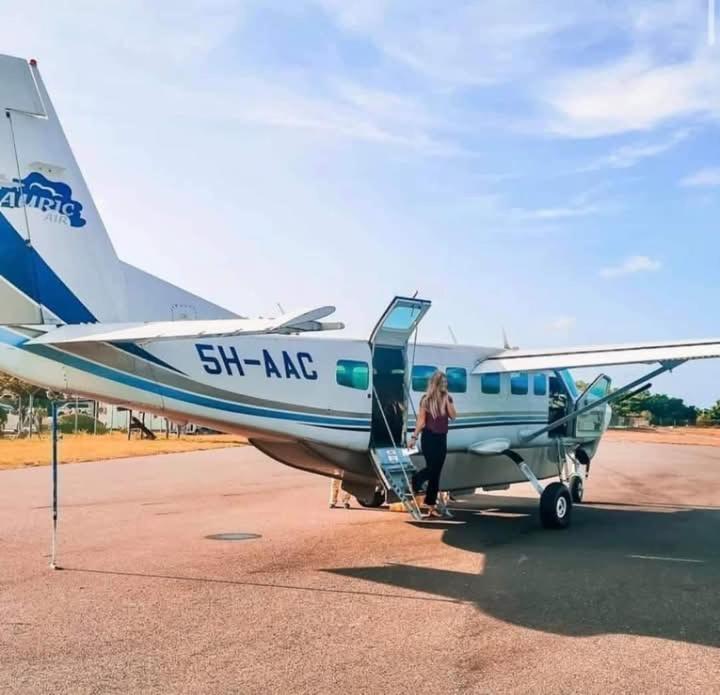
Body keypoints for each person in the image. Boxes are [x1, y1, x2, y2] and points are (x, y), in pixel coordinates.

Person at [408, 371, 456, 519]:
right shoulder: (426, 400)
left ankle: (431, 506)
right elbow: (421, 421)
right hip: (428, 437)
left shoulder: (448, 398)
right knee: (433, 469)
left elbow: (453, 416)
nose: (445, 385)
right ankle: (416, 479)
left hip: (442, 438)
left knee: (436, 473)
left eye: (446, 383)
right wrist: (414, 437)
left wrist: (447, 400)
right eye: (443, 383)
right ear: (436, 384)